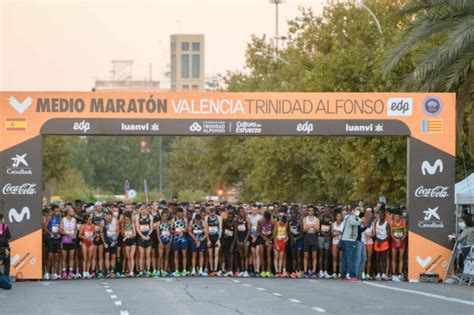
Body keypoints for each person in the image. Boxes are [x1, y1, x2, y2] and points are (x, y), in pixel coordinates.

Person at [340, 205, 361, 281]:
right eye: (356, 209)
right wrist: (361, 221)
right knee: (351, 258)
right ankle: (352, 276)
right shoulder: (352, 217)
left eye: (359, 209)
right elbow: (353, 223)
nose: (358, 211)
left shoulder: (347, 217)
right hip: (350, 240)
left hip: (345, 239)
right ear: (352, 210)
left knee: (344, 258)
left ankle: (343, 275)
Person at [43, 205, 62, 280]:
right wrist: (49, 233)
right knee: (50, 256)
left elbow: (60, 228)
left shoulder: (59, 219)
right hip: (50, 239)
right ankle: (47, 273)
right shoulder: (49, 217)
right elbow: (44, 227)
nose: (58, 212)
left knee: (56, 256)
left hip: (57, 238)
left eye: (58, 211)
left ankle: (55, 273)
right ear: (53, 211)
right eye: (56, 211)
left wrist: (59, 234)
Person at [135, 206, 153, 277]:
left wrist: (148, 235)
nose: (144, 211)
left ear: (147, 211)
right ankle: (141, 270)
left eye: (145, 210)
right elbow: (137, 228)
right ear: (141, 211)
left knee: (148, 255)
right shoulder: (137, 217)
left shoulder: (150, 217)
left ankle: (148, 270)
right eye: (142, 210)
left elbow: (151, 227)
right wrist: (142, 236)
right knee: (141, 255)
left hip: (148, 237)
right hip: (141, 237)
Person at [373, 210, 390, 281]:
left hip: (384, 242)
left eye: (382, 215)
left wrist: (382, 241)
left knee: (383, 258)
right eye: (380, 215)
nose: (381, 216)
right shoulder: (376, 223)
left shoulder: (387, 224)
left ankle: (383, 274)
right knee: (377, 259)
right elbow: (374, 233)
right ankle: (378, 274)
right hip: (377, 241)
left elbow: (389, 235)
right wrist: (378, 240)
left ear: (385, 217)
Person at [303, 206, 319, 278]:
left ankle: (313, 271)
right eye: (309, 211)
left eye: (312, 211)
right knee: (306, 255)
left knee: (314, 255)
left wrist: (314, 227)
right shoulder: (305, 219)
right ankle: (305, 271)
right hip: (307, 237)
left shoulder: (317, 219)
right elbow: (304, 230)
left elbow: (318, 230)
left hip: (314, 237)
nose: (311, 212)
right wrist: (309, 227)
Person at [172, 207, 189, 277]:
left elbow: (187, 229)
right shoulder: (173, 219)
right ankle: (176, 270)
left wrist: (182, 231)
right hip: (176, 239)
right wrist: (176, 232)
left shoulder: (185, 219)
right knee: (176, 254)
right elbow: (170, 230)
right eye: (179, 214)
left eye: (181, 214)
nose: (180, 215)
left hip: (183, 239)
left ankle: (184, 270)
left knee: (184, 254)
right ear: (176, 214)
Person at [390, 208, 407, 281]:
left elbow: (405, 233)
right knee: (394, 257)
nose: (396, 218)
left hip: (401, 241)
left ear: (400, 217)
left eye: (398, 216)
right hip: (394, 241)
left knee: (401, 257)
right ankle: (394, 273)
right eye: (395, 216)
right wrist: (396, 240)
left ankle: (400, 273)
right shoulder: (392, 222)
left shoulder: (403, 222)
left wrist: (400, 239)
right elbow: (391, 233)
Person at [258, 211, 275, 277]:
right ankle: (262, 270)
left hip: (270, 237)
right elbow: (258, 230)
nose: (266, 221)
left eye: (268, 220)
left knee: (268, 253)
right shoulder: (260, 221)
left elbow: (275, 232)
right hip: (262, 237)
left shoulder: (273, 222)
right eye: (265, 219)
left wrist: (269, 239)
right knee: (261, 253)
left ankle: (268, 271)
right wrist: (263, 237)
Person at [206, 207, 222, 276]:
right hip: (210, 237)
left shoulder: (219, 218)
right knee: (210, 255)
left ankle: (215, 269)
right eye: (211, 214)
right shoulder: (207, 218)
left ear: (215, 212)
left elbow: (220, 229)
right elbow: (206, 229)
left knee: (216, 254)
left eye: (213, 214)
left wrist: (219, 240)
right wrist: (208, 240)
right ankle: (211, 269)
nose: (212, 215)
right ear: (209, 212)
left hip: (216, 237)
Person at [102, 211, 119, 278]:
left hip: (113, 241)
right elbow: (101, 233)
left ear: (112, 216)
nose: (108, 217)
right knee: (107, 256)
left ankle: (112, 271)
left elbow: (118, 231)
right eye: (107, 215)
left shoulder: (116, 221)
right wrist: (104, 243)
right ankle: (108, 271)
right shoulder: (103, 222)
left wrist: (114, 241)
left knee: (113, 257)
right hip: (106, 241)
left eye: (109, 215)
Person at [79, 214, 95, 279]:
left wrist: (92, 237)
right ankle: (84, 272)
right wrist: (85, 237)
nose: (91, 221)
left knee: (89, 258)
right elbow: (79, 235)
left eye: (91, 219)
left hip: (91, 243)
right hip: (84, 243)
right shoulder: (83, 226)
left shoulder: (93, 225)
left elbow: (94, 234)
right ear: (86, 220)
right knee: (85, 258)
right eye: (89, 220)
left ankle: (88, 271)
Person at [92, 202, 106, 278]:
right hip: (94, 236)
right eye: (98, 206)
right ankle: (93, 270)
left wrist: (100, 235)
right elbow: (90, 225)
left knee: (100, 255)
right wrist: (95, 234)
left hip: (101, 236)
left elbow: (103, 227)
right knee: (94, 256)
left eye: (101, 206)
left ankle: (100, 270)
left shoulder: (104, 215)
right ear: (96, 207)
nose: (100, 207)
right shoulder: (92, 214)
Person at [221, 207, 237, 276]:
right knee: (226, 255)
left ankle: (231, 270)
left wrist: (233, 245)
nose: (230, 216)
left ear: (233, 215)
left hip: (232, 240)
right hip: (225, 240)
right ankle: (226, 269)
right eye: (229, 214)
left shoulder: (234, 223)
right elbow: (222, 231)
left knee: (231, 254)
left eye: (231, 214)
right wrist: (222, 240)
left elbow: (235, 234)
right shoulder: (224, 221)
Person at [289, 206, 303, 278]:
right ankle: (294, 271)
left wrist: (296, 238)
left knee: (298, 255)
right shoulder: (289, 221)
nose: (293, 214)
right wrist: (292, 238)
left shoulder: (299, 221)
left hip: (298, 239)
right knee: (293, 255)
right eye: (291, 213)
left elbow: (302, 232)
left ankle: (299, 270)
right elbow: (288, 231)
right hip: (292, 240)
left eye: (294, 213)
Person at [235, 206, 250, 277]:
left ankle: (246, 270)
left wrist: (245, 240)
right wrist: (237, 240)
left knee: (246, 255)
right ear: (238, 212)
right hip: (239, 240)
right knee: (241, 256)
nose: (242, 213)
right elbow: (235, 231)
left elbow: (249, 230)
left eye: (243, 211)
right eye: (240, 211)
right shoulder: (236, 220)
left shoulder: (247, 219)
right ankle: (242, 269)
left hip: (246, 240)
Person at [248, 205, 263, 276]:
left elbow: (260, 228)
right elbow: (249, 227)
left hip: (258, 237)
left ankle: (258, 269)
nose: (254, 211)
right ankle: (254, 269)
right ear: (251, 210)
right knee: (253, 254)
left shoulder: (260, 217)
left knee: (257, 253)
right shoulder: (249, 217)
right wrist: (251, 235)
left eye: (256, 210)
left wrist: (256, 236)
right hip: (251, 236)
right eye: (253, 210)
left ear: (258, 210)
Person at [318, 209, 332, 279]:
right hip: (321, 237)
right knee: (321, 254)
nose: (327, 212)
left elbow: (331, 229)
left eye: (328, 211)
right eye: (326, 211)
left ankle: (325, 271)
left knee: (326, 255)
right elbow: (318, 228)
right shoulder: (321, 219)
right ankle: (320, 271)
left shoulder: (331, 220)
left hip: (327, 238)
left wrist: (327, 236)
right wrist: (324, 235)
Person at [157, 210, 172, 277]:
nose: (165, 217)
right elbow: (158, 234)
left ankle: (165, 270)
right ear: (161, 216)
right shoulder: (159, 223)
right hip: (161, 241)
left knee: (166, 256)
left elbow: (171, 232)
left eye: (166, 216)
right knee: (160, 256)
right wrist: (160, 242)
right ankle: (159, 270)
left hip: (168, 241)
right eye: (164, 216)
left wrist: (170, 241)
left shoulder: (169, 223)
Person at [361, 208, 374, 280]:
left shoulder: (372, 223)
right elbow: (360, 231)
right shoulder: (362, 221)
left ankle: (368, 273)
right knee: (363, 258)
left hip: (370, 242)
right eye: (367, 212)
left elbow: (374, 233)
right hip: (363, 241)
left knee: (369, 258)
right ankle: (363, 272)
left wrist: (370, 235)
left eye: (370, 212)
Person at [122, 212, 137, 277]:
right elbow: (122, 234)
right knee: (128, 257)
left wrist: (127, 236)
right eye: (125, 219)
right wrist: (125, 235)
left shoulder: (132, 224)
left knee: (131, 256)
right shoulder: (123, 224)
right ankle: (129, 271)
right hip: (126, 241)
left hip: (132, 241)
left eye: (127, 219)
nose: (126, 220)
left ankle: (131, 271)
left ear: (130, 219)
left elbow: (134, 234)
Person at [331, 212, 344, 278]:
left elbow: (344, 233)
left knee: (341, 258)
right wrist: (335, 234)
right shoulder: (333, 224)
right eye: (337, 216)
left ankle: (340, 272)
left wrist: (338, 232)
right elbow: (332, 233)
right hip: (335, 242)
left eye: (340, 216)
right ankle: (334, 272)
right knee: (334, 257)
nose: (339, 218)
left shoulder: (343, 224)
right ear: (336, 217)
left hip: (341, 242)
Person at [0, 214, 11, 278]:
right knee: (7, 264)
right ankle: (6, 278)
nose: (4, 220)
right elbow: (9, 236)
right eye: (3, 219)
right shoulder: (5, 226)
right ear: (1, 219)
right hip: (5, 249)